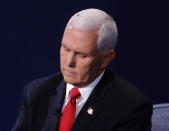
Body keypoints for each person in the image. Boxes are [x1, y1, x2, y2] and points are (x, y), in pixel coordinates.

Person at [11, 8, 152, 131]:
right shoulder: (37, 93)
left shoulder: (129, 107)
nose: (69, 62)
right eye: (65, 49)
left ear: (106, 58)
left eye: (81, 55)